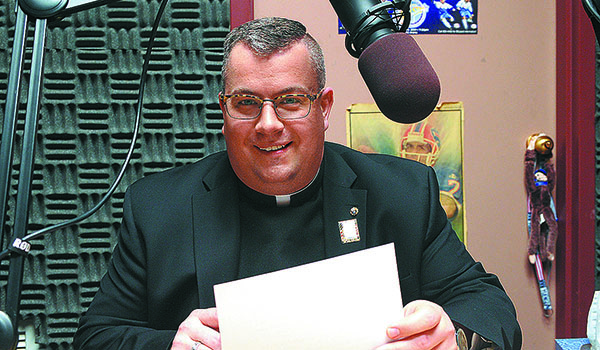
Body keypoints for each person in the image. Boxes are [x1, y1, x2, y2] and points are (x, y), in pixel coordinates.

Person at [73, 17, 521, 350]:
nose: (268, 125)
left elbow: (488, 304)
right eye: (246, 102)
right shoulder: (157, 208)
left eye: (290, 101)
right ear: (223, 111)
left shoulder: (403, 192)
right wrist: (171, 345)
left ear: (324, 108)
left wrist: (455, 336)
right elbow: (96, 336)